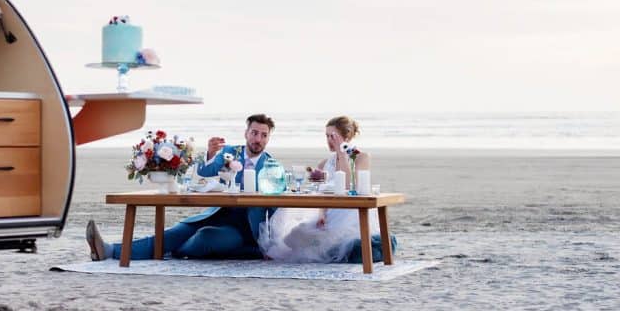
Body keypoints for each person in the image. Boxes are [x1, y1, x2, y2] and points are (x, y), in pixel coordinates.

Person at [86, 114, 278, 260]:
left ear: (268, 139)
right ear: (246, 133)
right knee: (176, 232)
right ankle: (109, 250)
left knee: (205, 237)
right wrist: (211, 154)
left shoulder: (272, 166)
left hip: (242, 230)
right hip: (216, 213)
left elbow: (276, 207)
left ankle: (171, 250)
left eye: (263, 135)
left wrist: (270, 245)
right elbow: (204, 172)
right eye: (254, 133)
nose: (258, 139)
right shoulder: (230, 151)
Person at [259, 115, 397, 263]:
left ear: (346, 136)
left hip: (351, 214)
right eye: (327, 136)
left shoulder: (361, 157)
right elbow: (320, 193)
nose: (329, 141)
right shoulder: (325, 162)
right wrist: (322, 214)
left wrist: (342, 154)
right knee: (295, 234)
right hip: (330, 212)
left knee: (340, 242)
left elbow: (349, 186)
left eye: (333, 136)